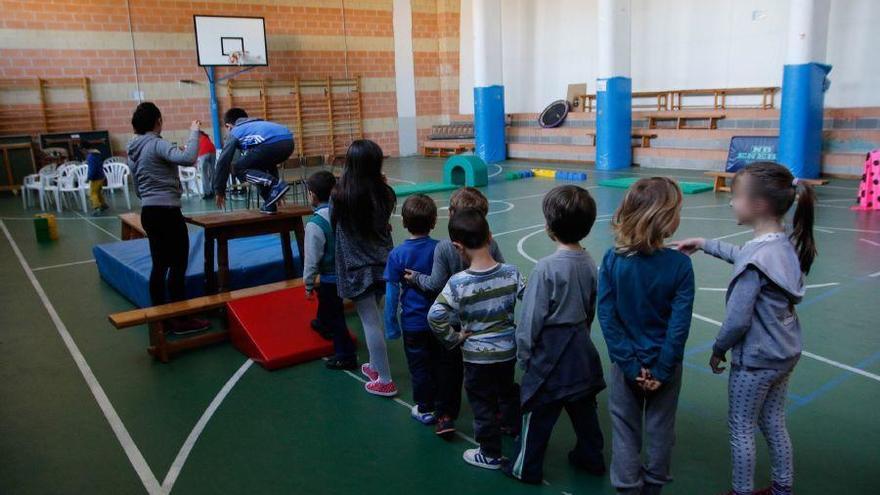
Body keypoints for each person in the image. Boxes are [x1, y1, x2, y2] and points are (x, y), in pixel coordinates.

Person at [674, 162, 815, 495]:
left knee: (741, 428)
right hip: (785, 352)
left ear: (758, 205)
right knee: (774, 421)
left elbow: (737, 320)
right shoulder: (781, 245)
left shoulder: (756, 261)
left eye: (735, 196)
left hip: (756, 360)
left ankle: (741, 491)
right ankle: (783, 487)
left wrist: (719, 348)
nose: (731, 202)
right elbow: (746, 256)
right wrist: (706, 243)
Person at [597, 177, 695, 495]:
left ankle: (628, 487)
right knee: (661, 428)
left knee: (625, 429)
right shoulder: (680, 266)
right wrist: (662, 369)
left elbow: (608, 318)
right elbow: (678, 327)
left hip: (627, 366)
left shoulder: (613, 259)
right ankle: (653, 485)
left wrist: (629, 364)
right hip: (664, 366)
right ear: (664, 218)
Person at [505, 185, 606, 484]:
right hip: (581, 349)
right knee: (584, 409)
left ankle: (525, 467)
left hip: (551, 353)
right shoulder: (590, 262)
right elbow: (591, 307)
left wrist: (524, 356)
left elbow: (531, 319)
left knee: (536, 412)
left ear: (549, 225)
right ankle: (591, 456)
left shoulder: (545, 269)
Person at [403, 187, 505, 438]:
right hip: (483, 319)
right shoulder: (492, 244)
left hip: (453, 322)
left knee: (448, 370)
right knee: (489, 367)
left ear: (451, 215)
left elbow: (435, 284)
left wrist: (414, 277)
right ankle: (499, 413)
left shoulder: (445, 249)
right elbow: (500, 274)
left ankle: (446, 415)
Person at [428, 208, 523, 471]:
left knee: (481, 401)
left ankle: (489, 453)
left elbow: (435, 315)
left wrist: (454, 338)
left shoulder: (457, 283)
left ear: (457, 247)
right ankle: (515, 429)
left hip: (476, 357)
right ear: (490, 236)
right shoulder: (511, 272)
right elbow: (533, 297)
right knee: (505, 391)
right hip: (507, 352)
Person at [127, 102, 209, 334]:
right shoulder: (155, 143)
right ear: (157, 122)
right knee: (178, 264)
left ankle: (160, 318)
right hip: (167, 212)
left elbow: (138, 188)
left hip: (149, 212)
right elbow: (188, 157)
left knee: (159, 265)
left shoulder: (133, 150)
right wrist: (194, 131)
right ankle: (180, 320)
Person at [332, 139, 398, 397]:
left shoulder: (341, 194)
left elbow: (336, 223)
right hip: (383, 262)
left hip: (357, 266)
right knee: (374, 317)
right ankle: (374, 365)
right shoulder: (384, 192)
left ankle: (385, 379)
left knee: (370, 322)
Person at [384, 194, 442, 424]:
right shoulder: (441, 249)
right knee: (438, 363)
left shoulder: (397, 254)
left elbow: (391, 294)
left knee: (418, 366)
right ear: (434, 221)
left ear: (404, 222)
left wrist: (391, 325)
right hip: (440, 321)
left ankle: (425, 408)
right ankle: (441, 402)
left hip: (413, 322)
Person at [303, 170, 357, 370]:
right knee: (328, 304)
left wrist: (308, 284)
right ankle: (321, 323)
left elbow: (311, 260)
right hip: (348, 273)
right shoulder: (342, 214)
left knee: (336, 315)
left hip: (330, 278)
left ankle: (346, 355)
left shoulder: (315, 224)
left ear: (313, 195)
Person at [212, 108, 292, 214]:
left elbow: (223, 161)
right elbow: (268, 164)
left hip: (271, 144)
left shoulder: (236, 131)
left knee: (237, 168)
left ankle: (275, 185)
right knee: (257, 168)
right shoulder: (257, 125)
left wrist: (219, 190)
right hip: (289, 142)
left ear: (228, 126)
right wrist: (275, 194)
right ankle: (270, 203)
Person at [85, 149, 109, 215]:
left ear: (84, 149)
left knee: (92, 193)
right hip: (101, 176)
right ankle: (103, 204)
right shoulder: (98, 155)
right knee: (98, 192)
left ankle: (97, 207)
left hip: (95, 178)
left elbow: (92, 168)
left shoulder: (90, 157)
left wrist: (89, 177)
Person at [197, 130, 216, 200]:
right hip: (212, 151)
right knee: (212, 171)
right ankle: (214, 190)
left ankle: (207, 193)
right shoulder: (206, 136)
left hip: (204, 153)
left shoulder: (196, 137)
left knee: (204, 173)